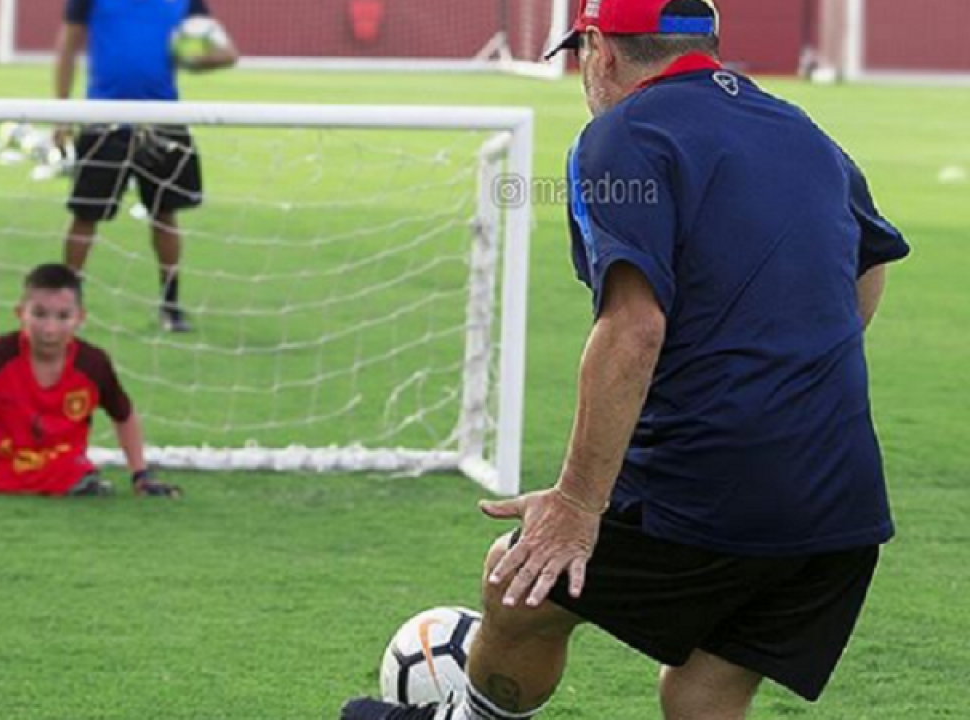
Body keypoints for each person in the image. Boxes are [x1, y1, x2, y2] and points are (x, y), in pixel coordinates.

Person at [342, 0, 910, 718]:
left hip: (717, 482)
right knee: (702, 690)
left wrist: (577, 504)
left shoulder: (621, 136)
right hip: (843, 506)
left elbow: (634, 327)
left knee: (520, 587)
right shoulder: (804, 131)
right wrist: (784, 372)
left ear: (601, 51)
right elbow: (869, 265)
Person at [54, 0, 239, 333]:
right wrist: (61, 112)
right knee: (85, 214)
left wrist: (196, 60)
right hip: (103, 121)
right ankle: (67, 302)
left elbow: (227, 53)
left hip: (164, 121)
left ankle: (171, 306)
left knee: (165, 215)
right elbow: (68, 44)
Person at [0, 263, 181, 499]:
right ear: (20, 313)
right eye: (39, 314)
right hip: (2, 485)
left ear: (80, 317)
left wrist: (140, 475)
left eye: (63, 316)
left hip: (75, 486)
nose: (50, 329)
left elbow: (123, 415)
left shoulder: (93, 364)